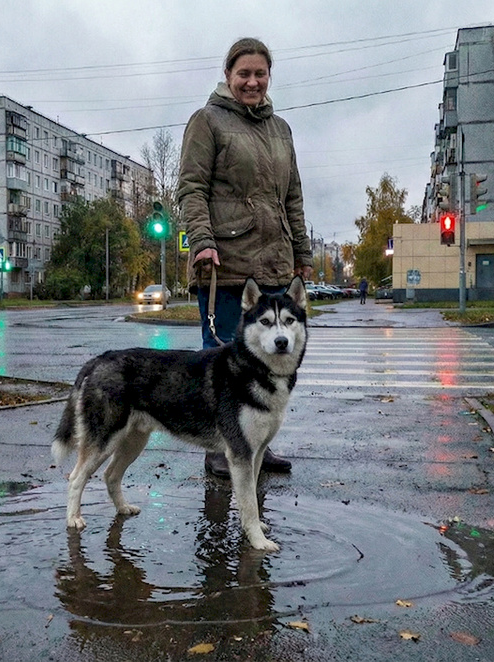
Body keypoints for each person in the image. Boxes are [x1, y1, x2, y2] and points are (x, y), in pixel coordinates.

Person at [178, 37, 314, 479]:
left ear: (268, 76)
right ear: (228, 76)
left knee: (271, 363)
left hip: (275, 264)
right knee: (222, 362)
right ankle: (220, 447)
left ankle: (258, 445)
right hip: (227, 261)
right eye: (244, 74)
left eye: (260, 74)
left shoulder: (282, 130)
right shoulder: (207, 121)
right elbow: (192, 188)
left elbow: (292, 195)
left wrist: (302, 252)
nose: (252, 82)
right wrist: (202, 239)